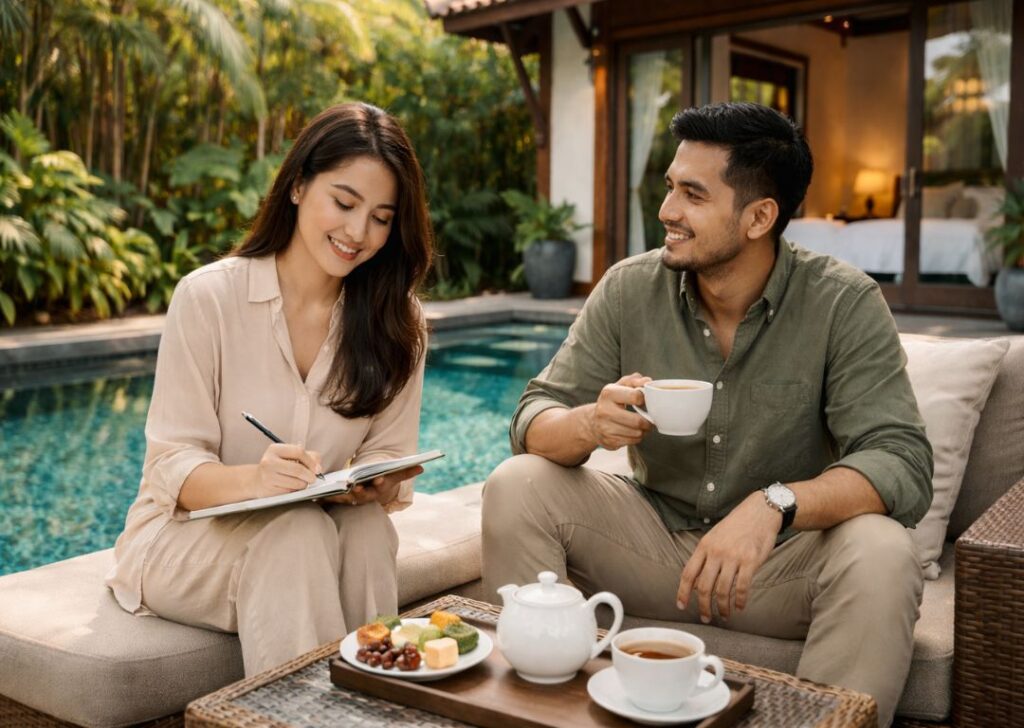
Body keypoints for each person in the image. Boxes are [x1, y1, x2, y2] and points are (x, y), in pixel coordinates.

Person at [482, 102, 932, 727]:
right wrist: (588, 423)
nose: (667, 211)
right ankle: (529, 713)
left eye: (692, 195)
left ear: (759, 217)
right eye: (670, 188)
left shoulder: (844, 303)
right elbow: (532, 417)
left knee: (883, 551)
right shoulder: (628, 289)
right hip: (651, 547)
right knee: (518, 484)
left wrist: (773, 505)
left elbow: (901, 462)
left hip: (775, 570)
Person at [107, 102, 433, 676]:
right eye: (344, 202)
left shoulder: (398, 322)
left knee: (363, 529)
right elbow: (172, 467)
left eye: (382, 217)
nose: (358, 233)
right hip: (183, 539)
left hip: (314, 526)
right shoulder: (208, 298)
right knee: (296, 532)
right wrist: (257, 480)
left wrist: (374, 483)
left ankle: (380, 703)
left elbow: (388, 451)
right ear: (298, 186)